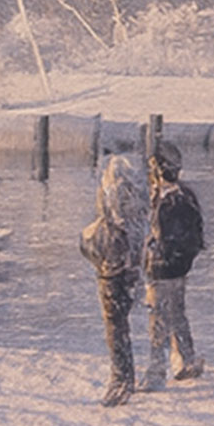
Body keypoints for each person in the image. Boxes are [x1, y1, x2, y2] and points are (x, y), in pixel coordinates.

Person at [79, 153, 148, 407]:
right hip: (129, 265)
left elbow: (113, 223)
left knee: (115, 324)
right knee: (122, 322)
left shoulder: (112, 193)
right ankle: (127, 374)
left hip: (112, 267)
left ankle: (120, 377)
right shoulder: (138, 195)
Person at [143, 140, 205, 389]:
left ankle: (157, 371)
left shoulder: (172, 201)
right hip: (172, 268)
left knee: (159, 318)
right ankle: (185, 360)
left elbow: (171, 238)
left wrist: (156, 253)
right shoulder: (179, 197)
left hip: (164, 268)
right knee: (176, 313)